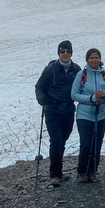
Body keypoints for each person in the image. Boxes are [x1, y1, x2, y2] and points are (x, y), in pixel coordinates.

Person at [34, 40, 81, 187]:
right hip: (52, 109)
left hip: (68, 109)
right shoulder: (50, 69)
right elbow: (39, 86)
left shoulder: (76, 69)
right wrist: (43, 100)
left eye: (67, 51)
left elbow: (81, 86)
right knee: (55, 141)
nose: (65, 54)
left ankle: (58, 169)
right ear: (58, 53)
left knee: (63, 139)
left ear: (71, 53)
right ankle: (54, 175)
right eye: (62, 51)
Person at [71, 48, 105, 183]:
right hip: (84, 114)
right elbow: (74, 94)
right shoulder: (81, 75)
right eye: (92, 58)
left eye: (97, 58)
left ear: (100, 59)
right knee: (86, 143)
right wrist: (91, 98)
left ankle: (92, 171)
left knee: (97, 143)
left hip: (101, 114)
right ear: (87, 60)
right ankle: (82, 171)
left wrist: (104, 94)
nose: (94, 60)